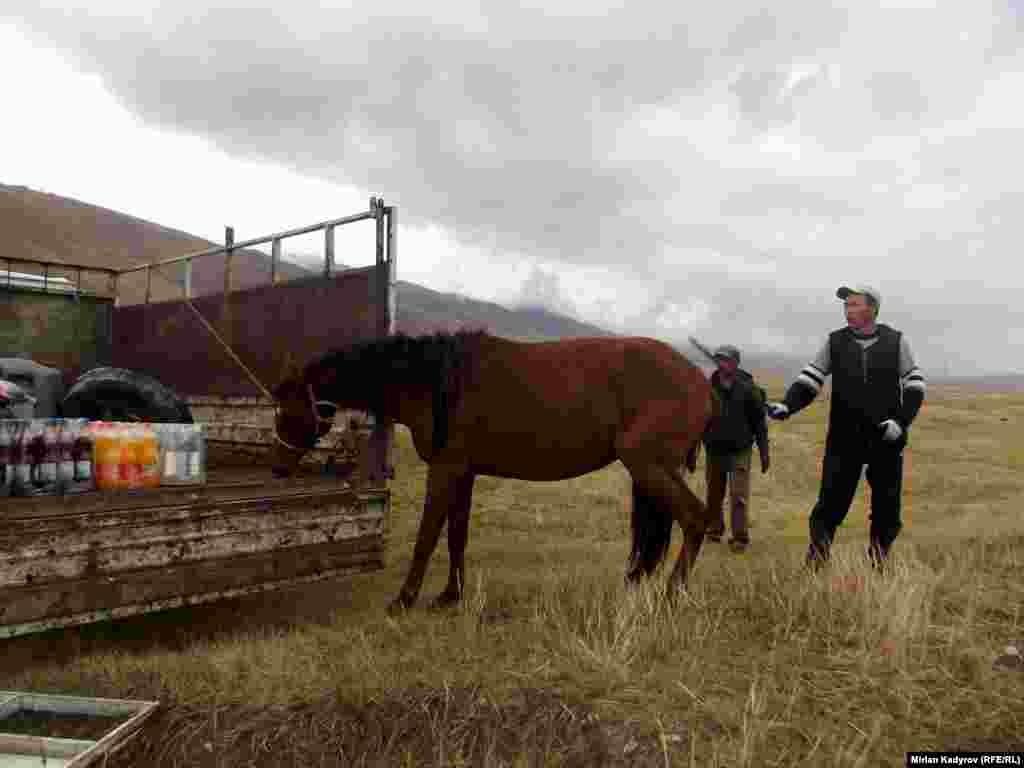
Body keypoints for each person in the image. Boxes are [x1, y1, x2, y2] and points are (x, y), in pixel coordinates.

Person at [767, 285, 926, 570]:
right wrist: (787, 405)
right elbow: (810, 380)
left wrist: (900, 423)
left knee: (887, 508)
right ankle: (817, 560)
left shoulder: (896, 341)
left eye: (854, 304)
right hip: (844, 438)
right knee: (829, 503)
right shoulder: (834, 342)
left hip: (886, 438)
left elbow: (915, 386)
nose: (847, 309)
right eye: (846, 305)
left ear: (872, 309)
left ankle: (879, 561)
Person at [702, 345, 770, 553]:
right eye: (719, 359)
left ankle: (740, 538)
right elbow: (700, 419)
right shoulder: (708, 386)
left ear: (735, 363)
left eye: (726, 360)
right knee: (714, 494)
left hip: (740, 451)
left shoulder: (748, 389)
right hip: (714, 450)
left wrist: (764, 452)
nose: (722, 363)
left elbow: (759, 422)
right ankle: (714, 531)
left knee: (738, 496)